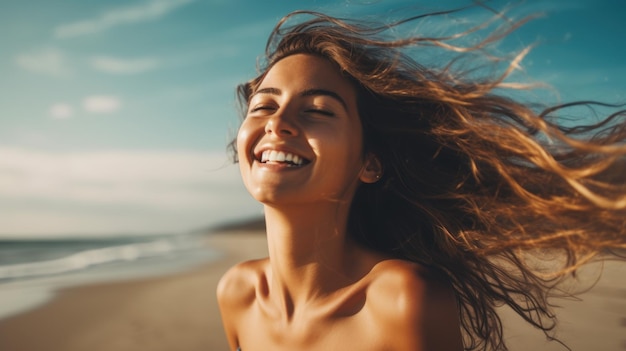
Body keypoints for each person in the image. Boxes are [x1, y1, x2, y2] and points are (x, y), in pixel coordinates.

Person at [217, 6, 626, 351]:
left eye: (319, 110)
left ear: (370, 164)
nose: (278, 124)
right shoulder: (238, 294)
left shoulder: (402, 299)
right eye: (263, 107)